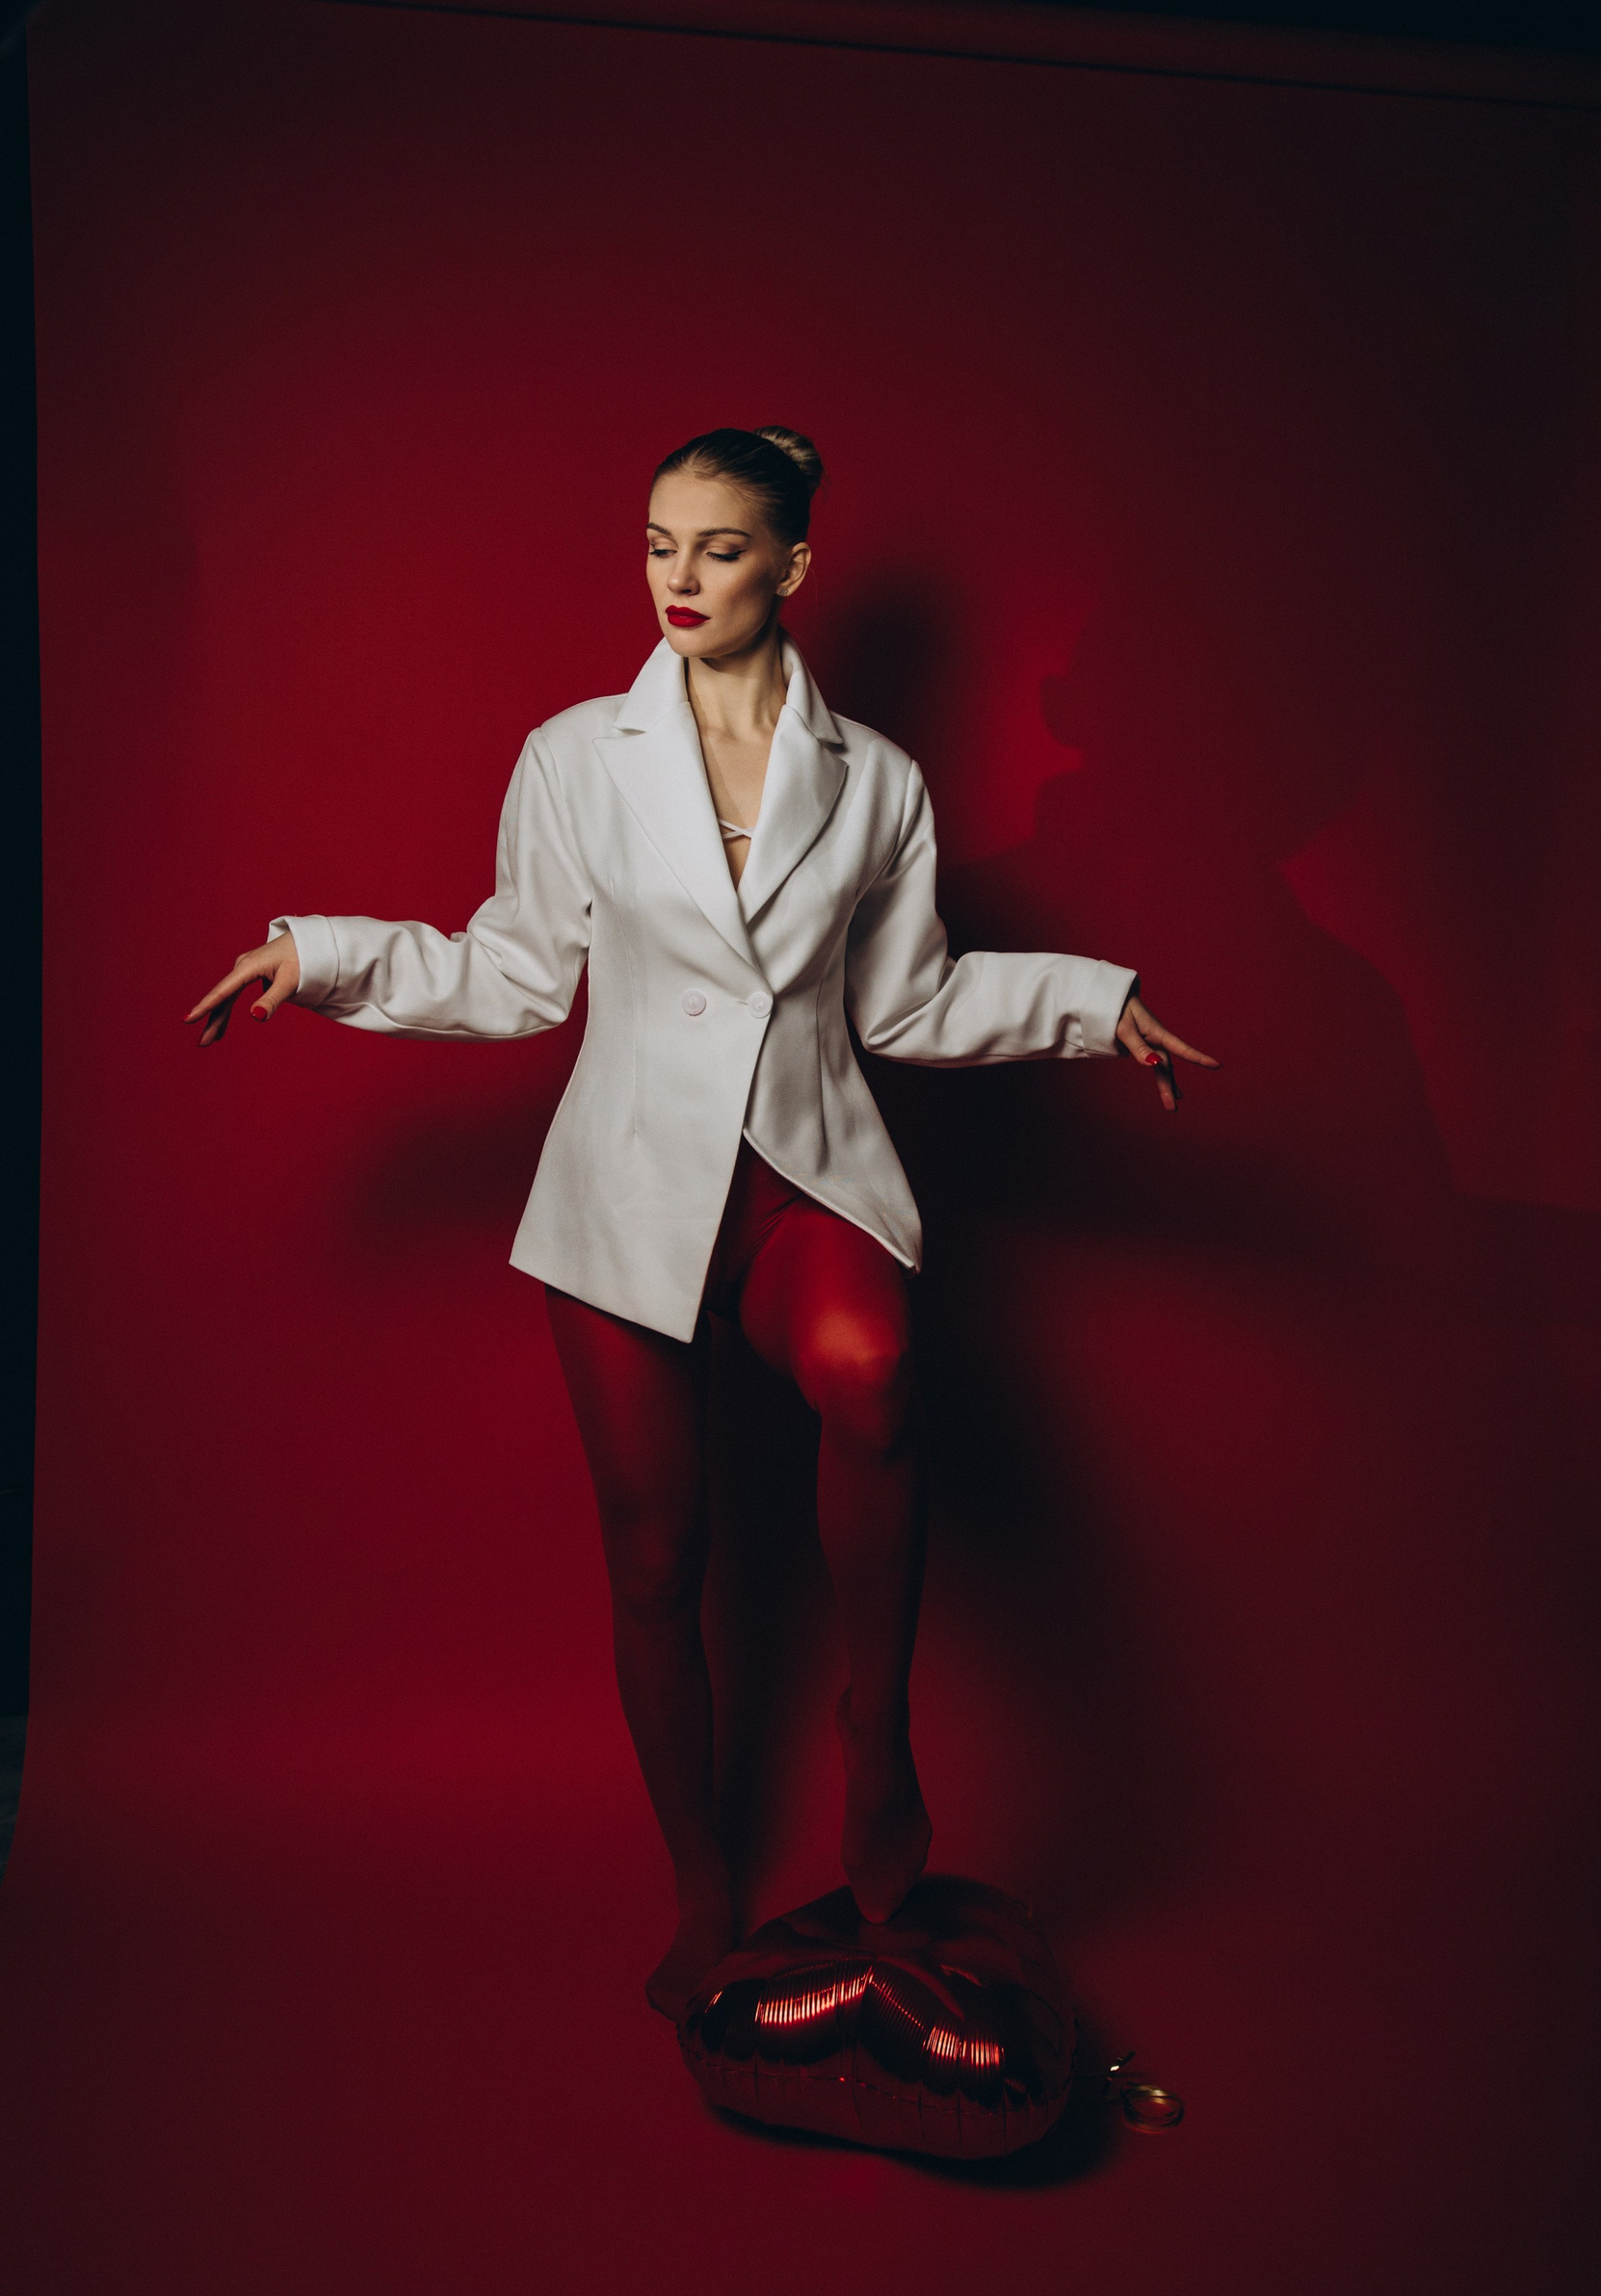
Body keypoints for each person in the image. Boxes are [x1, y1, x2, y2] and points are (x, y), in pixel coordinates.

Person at [188, 425, 1217, 2020]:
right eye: (660, 543)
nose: (678, 577)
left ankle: (874, 1731)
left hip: (804, 1178)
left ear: (792, 565)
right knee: (662, 1561)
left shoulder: (877, 781)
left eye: (719, 548)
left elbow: (908, 1000)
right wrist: (314, 956)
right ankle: (701, 1884)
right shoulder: (574, 757)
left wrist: (1097, 1004)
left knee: (875, 1375)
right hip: (623, 1201)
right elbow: (514, 971)